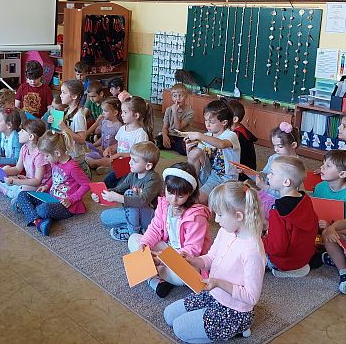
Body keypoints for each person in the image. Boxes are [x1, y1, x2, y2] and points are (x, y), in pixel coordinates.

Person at [164, 181, 265, 343]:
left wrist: (218, 283)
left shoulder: (252, 252)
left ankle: (240, 328)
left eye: (220, 215)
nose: (216, 220)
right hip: (214, 294)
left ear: (239, 216)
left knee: (179, 329)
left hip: (234, 310)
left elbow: (252, 297)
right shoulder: (226, 231)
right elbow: (211, 258)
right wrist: (193, 261)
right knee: (169, 315)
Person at [128, 162, 212, 298]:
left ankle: (153, 279)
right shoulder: (164, 204)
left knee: (181, 278)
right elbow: (155, 229)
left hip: (187, 259)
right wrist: (145, 244)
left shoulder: (197, 216)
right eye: (170, 192)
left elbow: (191, 250)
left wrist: (160, 259)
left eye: (180, 196)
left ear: (190, 194)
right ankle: (157, 278)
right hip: (167, 250)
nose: (173, 199)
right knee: (134, 239)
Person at [14, 130, 90, 236]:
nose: (45, 159)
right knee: (22, 195)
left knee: (42, 209)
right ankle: (39, 222)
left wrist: (71, 200)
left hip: (66, 205)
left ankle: (33, 214)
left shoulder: (72, 167)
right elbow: (54, 177)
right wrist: (46, 186)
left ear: (57, 153)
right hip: (50, 198)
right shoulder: (55, 161)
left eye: (46, 156)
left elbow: (86, 185)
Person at [93, 141, 163, 241]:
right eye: (130, 158)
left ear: (148, 166)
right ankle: (139, 228)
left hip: (152, 217)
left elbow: (142, 201)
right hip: (133, 213)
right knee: (104, 217)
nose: (130, 162)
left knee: (129, 193)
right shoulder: (133, 174)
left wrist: (118, 198)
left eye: (134, 161)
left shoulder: (153, 179)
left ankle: (133, 233)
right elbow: (118, 190)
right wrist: (102, 193)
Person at [262, 156, 318, 278]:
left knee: (247, 245)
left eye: (272, 173)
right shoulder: (305, 199)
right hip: (304, 257)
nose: (268, 176)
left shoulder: (277, 211)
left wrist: (260, 241)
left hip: (284, 262)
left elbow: (276, 248)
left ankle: (278, 268)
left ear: (286, 182)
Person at [184, 100, 241, 204]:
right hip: (207, 174)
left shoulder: (231, 135)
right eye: (206, 120)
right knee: (195, 151)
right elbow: (192, 159)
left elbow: (222, 144)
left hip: (224, 179)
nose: (207, 125)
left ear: (224, 122)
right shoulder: (206, 136)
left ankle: (207, 196)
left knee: (196, 201)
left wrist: (199, 135)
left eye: (212, 122)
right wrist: (189, 149)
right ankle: (190, 185)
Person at [103, 96, 153, 188]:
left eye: (125, 112)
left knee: (120, 187)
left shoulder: (141, 134)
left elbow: (140, 156)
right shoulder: (122, 129)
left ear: (136, 115)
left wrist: (120, 154)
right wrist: (110, 148)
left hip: (133, 170)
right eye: (122, 112)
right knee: (106, 182)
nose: (122, 115)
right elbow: (119, 144)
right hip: (120, 166)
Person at [0, 119, 49, 201]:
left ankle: (9, 192)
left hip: (40, 185)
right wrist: (1, 172)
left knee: (23, 188)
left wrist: (16, 181)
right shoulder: (24, 148)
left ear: (31, 137)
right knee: (6, 168)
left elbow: (37, 181)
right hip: (28, 179)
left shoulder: (39, 154)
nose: (19, 133)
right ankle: (12, 189)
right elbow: (17, 169)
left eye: (22, 131)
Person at [255, 122, 300, 218]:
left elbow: (289, 195)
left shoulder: (295, 166)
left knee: (264, 216)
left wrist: (265, 187)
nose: (276, 149)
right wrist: (249, 172)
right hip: (266, 193)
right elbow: (265, 174)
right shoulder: (273, 157)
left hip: (278, 201)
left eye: (280, 146)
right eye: (274, 145)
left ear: (293, 145)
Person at [312, 150, 346, 229]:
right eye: (323, 163)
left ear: (342, 174)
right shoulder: (319, 187)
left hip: (339, 233)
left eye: (328, 165)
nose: (321, 167)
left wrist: (331, 228)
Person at [52, 79, 89, 175]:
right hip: (68, 153)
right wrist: (54, 122)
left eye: (64, 92)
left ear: (74, 96)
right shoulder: (67, 110)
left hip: (76, 156)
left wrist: (65, 128)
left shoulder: (79, 116)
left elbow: (81, 140)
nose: (60, 95)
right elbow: (62, 131)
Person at [156, 83, 194, 156]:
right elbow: (165, 127)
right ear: (172, 97)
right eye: (175, 96)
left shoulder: (190, 112)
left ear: (186, 97)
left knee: (185, 150)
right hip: (169, 134)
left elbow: (178, 128)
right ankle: (170, 143)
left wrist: (174, 112)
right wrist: (165, 136)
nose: (178, 99)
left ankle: (171, 145)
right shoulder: (168, 109)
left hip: (181, 136)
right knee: (155, 142)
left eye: (181, 96)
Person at [86, 97, 122, 172]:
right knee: (85, 156)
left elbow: (120, 143)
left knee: (93, 162)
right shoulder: (104, 122)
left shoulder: (119, 126)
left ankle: (107, 167)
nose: (102, 113)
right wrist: (94, 145)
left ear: (115, 112)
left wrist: (112, 150)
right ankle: (103, 166)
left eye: (105, 111)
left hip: (113, 156)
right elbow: (103, 137)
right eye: (102, 110)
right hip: (102, 152)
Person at [225, 99, 258, 173]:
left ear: (235, 119)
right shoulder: (238, 128)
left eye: (225, 115)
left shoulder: (238, 135)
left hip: (243, 171)